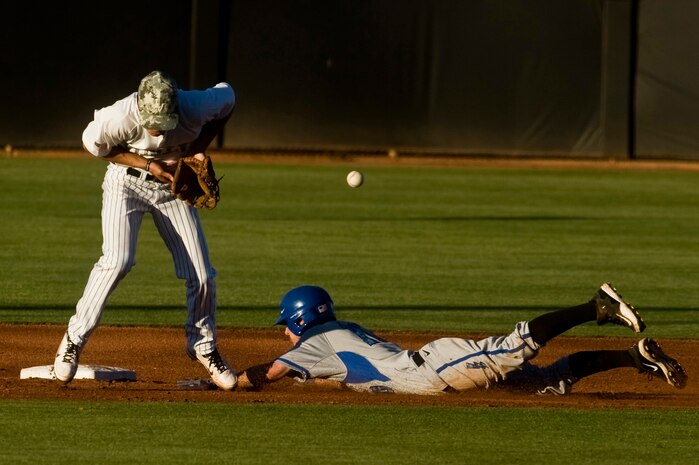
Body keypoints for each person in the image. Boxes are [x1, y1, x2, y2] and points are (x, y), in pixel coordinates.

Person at [53, 71, 237, 390]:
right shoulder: (118, 117)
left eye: (164, 120)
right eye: (152, 120)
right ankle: (73, 339)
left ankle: (203, 346)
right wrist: (149, 165)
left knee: (202, 273)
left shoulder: (195, 106)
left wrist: (198, 147)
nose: (156, 128)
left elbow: (229, 98)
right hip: (125, 183)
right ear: (139, 107)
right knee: (118, 261)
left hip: (171, 191)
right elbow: (96, 148)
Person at [235, 283, 687, 395]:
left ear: (300, 319)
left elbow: (267, 374)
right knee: (546, 381)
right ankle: (634, 356)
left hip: (434, 368)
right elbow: (338, 373)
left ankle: (596, 307)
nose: (287, 332)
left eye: (287, 324)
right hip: (433, 369)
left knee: (515, 348)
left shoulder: (312, 343)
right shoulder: (337, 335)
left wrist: (227, 381)